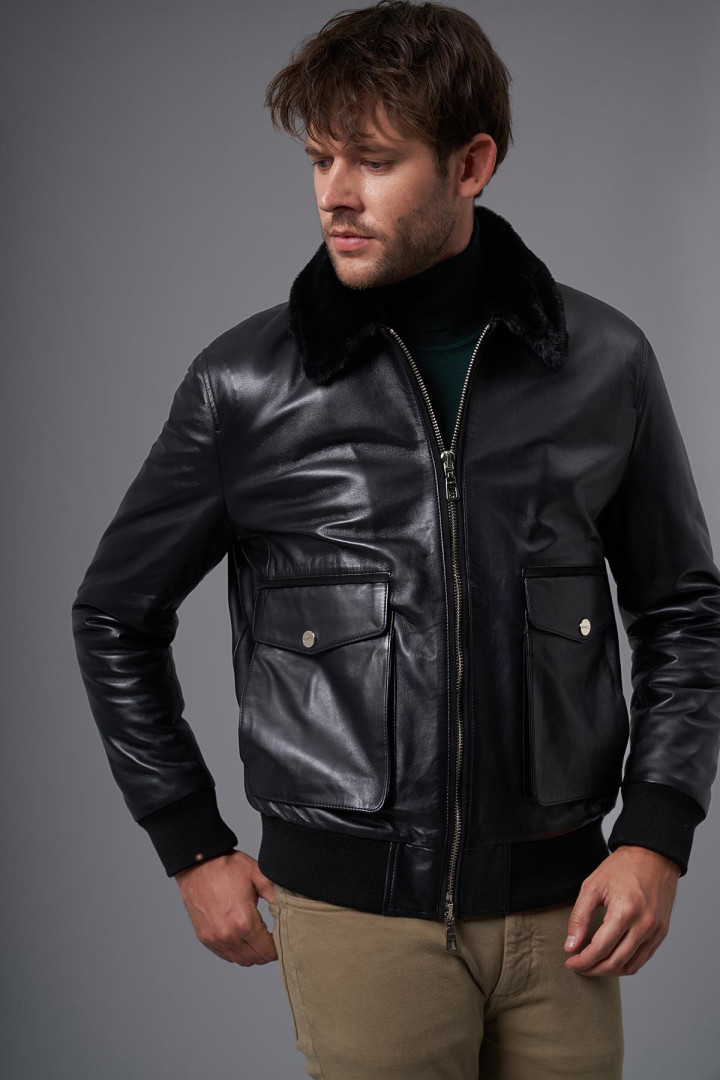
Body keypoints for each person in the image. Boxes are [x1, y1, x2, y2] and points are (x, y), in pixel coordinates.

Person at [71, 2, 720, 1077]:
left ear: (473, 165)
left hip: (568, 908)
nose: (335, 192)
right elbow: (113, 614)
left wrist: (657, 831)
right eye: (321, 159)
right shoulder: (245, 386)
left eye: (373, 161)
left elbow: (684, 609)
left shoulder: (605, 362)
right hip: (356, 919)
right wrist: (189, 841)